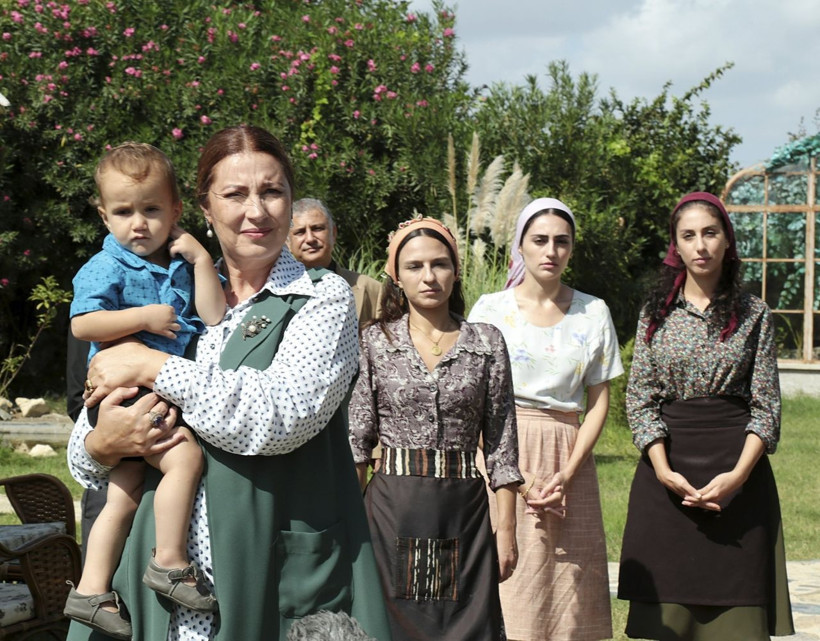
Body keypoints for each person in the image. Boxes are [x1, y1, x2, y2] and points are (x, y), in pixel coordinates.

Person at [67, 125, 391, 641]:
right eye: (235, 194)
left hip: (268, 576)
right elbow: (84, 452)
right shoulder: (171, 292)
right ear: (203, 207)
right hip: (158, 595)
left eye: (272, 191)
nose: (256, 212)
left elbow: (277, 418)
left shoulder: (321, 297)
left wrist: (151, 366)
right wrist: (102, 444)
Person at [64, 142, 225, 638]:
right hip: (125, 396)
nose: (139, 223)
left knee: (123, 495)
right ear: (103, 214)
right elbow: (83, 325)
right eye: (123, 211)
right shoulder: (106, 265)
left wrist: (200, 259)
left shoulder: (179, 263)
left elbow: (215, 317)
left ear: (176, 210)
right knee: (185, 459)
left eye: (152, 209)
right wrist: (144, 318)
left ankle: (90, 591)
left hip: (148, 391)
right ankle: (170, 561)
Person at [617, 191, 795, 640]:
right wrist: (664, 471)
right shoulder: (654, 315)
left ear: (727, 241)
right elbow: (640, 399)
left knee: (737, 626)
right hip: (666, 486)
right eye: (688, 236)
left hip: (739, 482)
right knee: (667, 625)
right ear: (675, 246)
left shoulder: (755, 314)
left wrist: (736, 478)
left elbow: (766, 406)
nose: (701, 246)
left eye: (710, 233)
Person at [348, 216, 523, 640]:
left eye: (440, 264)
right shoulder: (375, 342)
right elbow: (356, 441)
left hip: (464, 515)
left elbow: (502, 447)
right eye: (415, 266)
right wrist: (350, 534)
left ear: (456, 270)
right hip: (391, 513)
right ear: (395, 276)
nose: (429, 277)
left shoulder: (486, 342)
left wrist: (508, 532)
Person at [468, 197, 623, 641]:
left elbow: (598, 402)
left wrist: (567, 473)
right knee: (507, 577)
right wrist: (519, 477)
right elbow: (474, 402)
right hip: (502, 452)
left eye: (561, 241)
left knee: (568, 586)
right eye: (540, 240)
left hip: (566, 458)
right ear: (520, 246)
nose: (550, 250)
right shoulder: (490, 310)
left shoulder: (593, 312)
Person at [287, 198, 382, 326]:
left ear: (334, 233)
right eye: (300, 232)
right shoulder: (276, 291)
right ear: (287, 242)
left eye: (317, 229)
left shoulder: (369, 290)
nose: (310, 239)